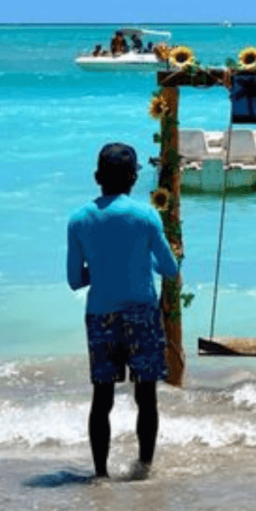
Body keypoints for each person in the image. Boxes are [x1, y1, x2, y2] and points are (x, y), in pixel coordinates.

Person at [67, 142, 180, 479]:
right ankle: (144, 468)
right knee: (146, 394)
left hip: (101, 315)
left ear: (97, 177)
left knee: (102, 397)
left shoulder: (79, 220)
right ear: (133, 178)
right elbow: (170, 269)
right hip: (142, 314)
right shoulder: (147, 216)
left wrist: (102, 269)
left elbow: (75, 280)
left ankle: (101, 474)